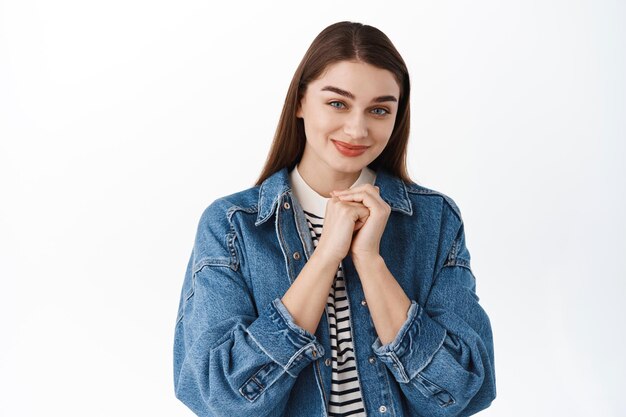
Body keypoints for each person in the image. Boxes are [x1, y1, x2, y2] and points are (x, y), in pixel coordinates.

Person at [173, 21, 496, 417]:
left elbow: (462, 391)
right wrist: (326, 256)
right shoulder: (232, 226)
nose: (357, 128)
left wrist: (370, 261)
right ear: (300, 102)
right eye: (337, 103)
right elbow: (220, 400)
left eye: (379, 109)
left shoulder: (434, 220)